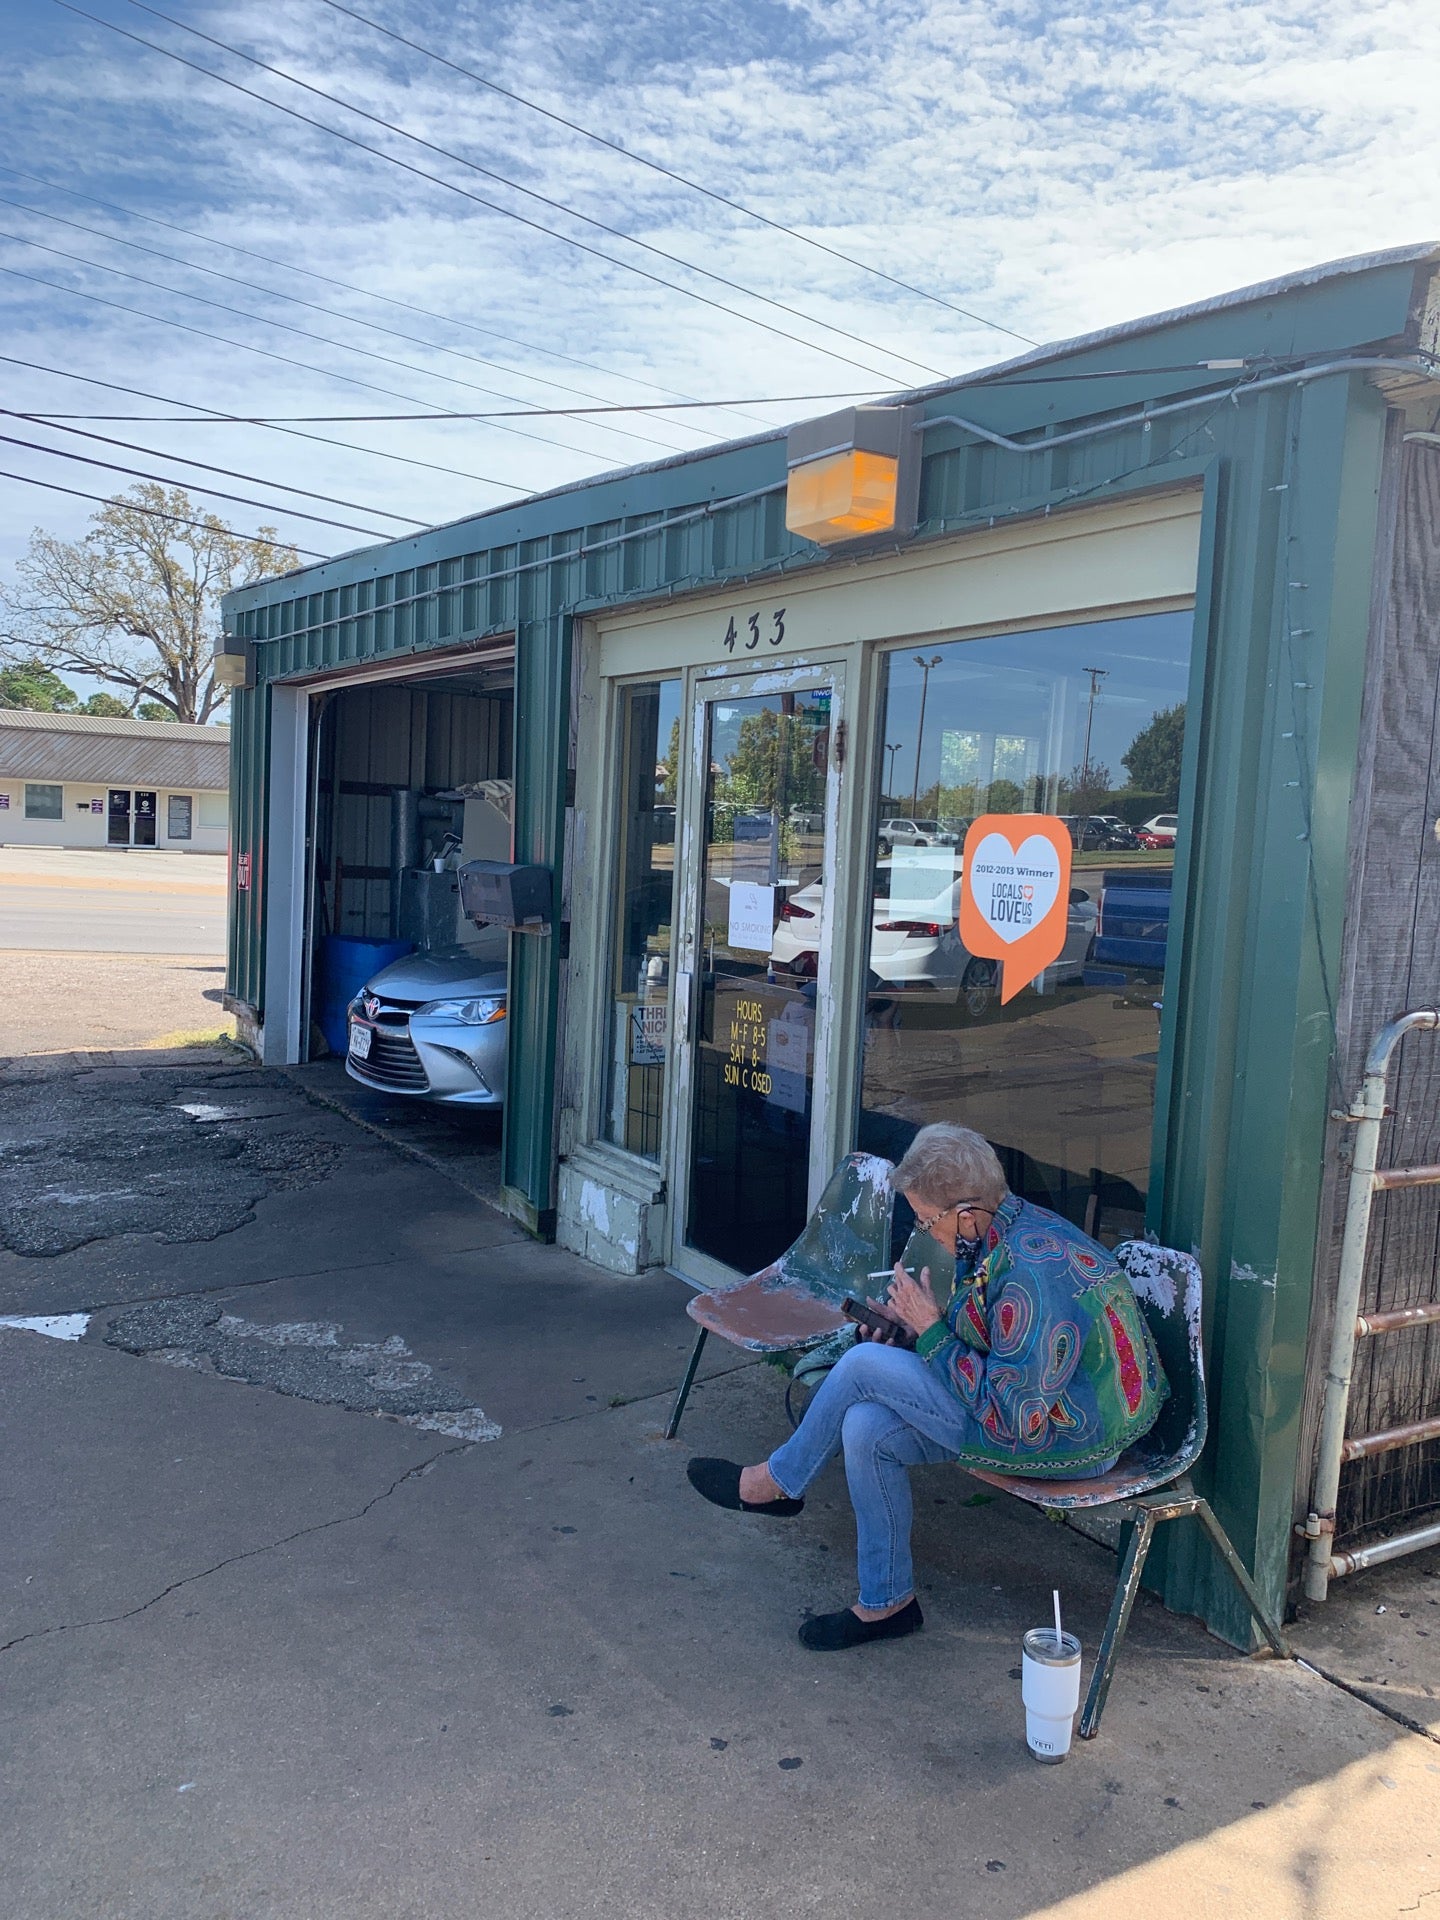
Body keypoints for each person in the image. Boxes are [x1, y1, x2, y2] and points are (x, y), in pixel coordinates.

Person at [687, 1123, 1168, 1651]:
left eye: (923, 1220)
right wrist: (915, 1331)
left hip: (1071, 1439)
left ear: (964, 1213)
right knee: (865, 1427)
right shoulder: (1005, 1229)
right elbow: (998, 1347)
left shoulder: (1031, 1271)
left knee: (863, 1365)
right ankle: (887, 1603)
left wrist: (932, 1331)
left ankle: (776, 1484)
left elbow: (1012, 1413)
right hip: (1040, 1413)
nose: (922, 1230)